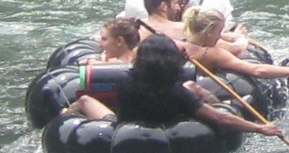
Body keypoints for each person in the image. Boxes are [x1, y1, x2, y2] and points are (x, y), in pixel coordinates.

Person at [71, 34, 274, 134]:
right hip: (167, 126)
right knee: (194, 89)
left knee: (85, 100)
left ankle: (64, 116)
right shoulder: (176, 93)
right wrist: (260, 129)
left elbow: (144, 72)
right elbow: (219, 120)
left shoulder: (124, 81)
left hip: (124, 126)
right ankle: (225, 104)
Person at [182, 6, 289, 99]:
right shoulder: (212, 53)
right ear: (209, 30)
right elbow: (256, 70)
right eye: (219, 31)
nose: (220, 36)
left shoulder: (180, 44)